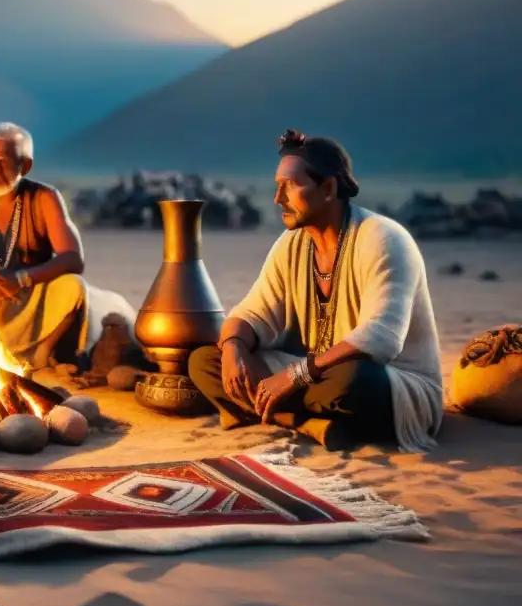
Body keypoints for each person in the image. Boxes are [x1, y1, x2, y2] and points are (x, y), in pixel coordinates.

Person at [187, 130, 443, 452]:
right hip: (313, 377)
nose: (278, 199)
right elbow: (252, 312)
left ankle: (280, 412)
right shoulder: (292, 244)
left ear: (328, 188)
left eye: (290, 186)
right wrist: (234, 348)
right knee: (205, 361)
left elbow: (380, 337)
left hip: (392, 384)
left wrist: (294, 376)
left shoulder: (383, 238)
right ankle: (308, 424)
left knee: (351, 380)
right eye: (277, 186)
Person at [0, 122, 134, 369]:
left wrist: (20, 279)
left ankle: (41, 354)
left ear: (25, 165)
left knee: (72, 287)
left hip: (28, 296)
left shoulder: (45, 198)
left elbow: (73, 258)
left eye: (3, 161)